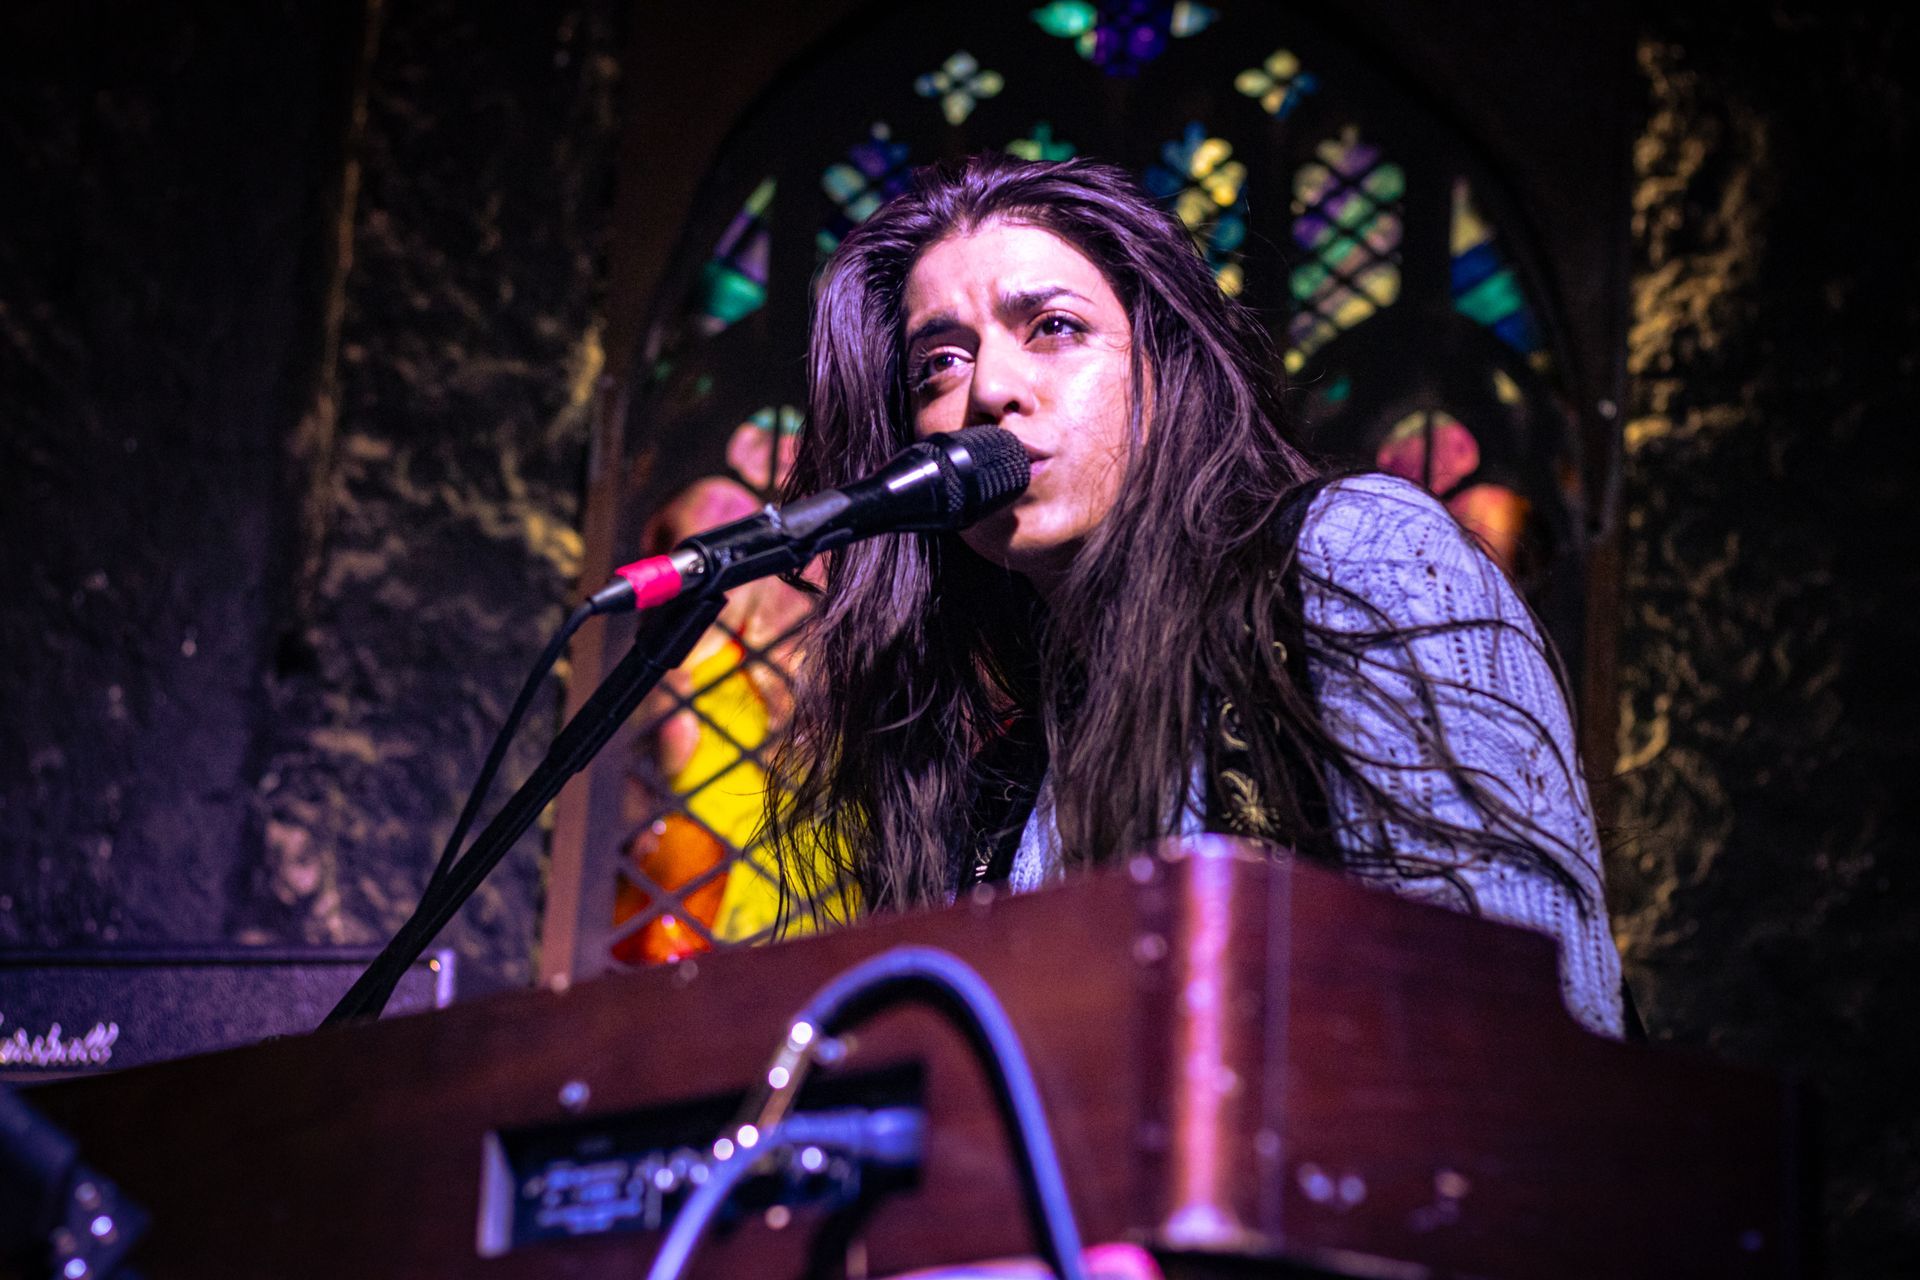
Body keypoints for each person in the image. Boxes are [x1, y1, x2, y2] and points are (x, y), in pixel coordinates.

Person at [763, 154, 1623, 1041]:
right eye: (940, 363)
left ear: (1167, 366)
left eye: (1054, 327)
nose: (990, 390)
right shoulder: (1004, 773)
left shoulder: (1352, 552)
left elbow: (1532, 1025)